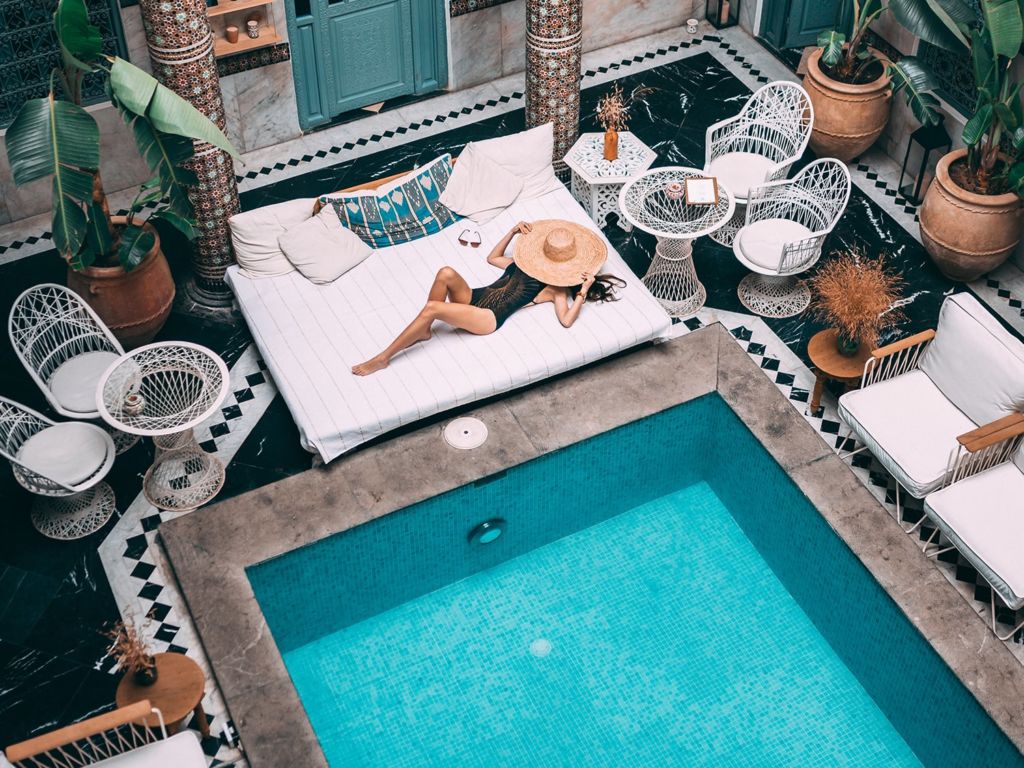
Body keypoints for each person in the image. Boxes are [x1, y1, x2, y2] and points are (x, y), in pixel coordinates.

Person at [352, 219, 625, 376]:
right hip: (475, 296)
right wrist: (512, 231)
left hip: (488, 318)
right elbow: (492, 258)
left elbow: (566, 320)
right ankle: (423, 332)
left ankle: (384, 357)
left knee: (434, 308)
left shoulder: (555, 290)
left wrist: (583, 290)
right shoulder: (524, 263)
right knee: (445, 272)